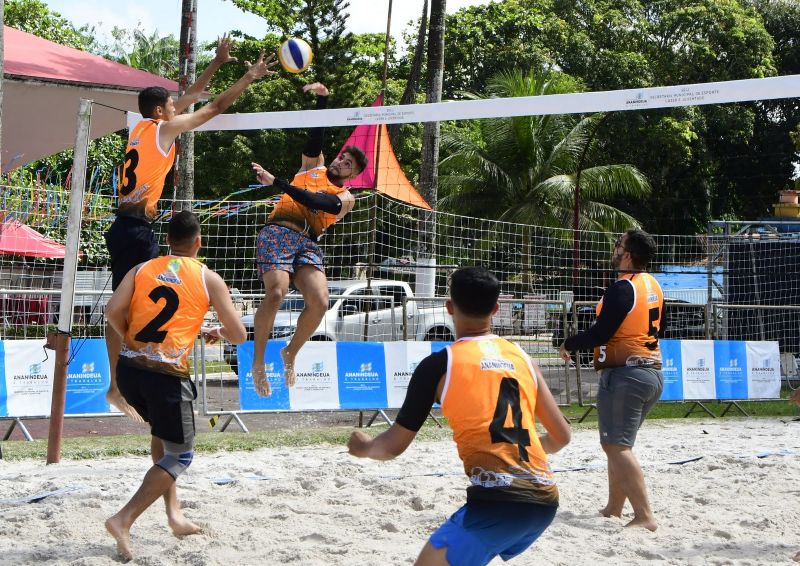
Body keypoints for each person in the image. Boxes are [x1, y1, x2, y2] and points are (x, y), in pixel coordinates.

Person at [348, 266, 571, 566]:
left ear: (449, 307)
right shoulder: (523, 358)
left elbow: (392, 446)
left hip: (502, 501)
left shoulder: (439, 366)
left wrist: (363, 448)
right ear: (496, 308)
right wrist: (517, 447)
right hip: (545, 499)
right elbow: (562, 436)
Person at [104, 37, 276, 420]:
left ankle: (121, 384)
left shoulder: (142, 129)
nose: (176, 107)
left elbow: (194, 94)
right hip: (134, 228)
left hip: (126, 226)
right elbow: (212, 106)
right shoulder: (163, 131)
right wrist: (249, 76)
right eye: (171, 105)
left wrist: (217, 62)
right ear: (161, 111)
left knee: (124, 303)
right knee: (135, 304)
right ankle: (123, 383)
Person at [103, 211, 246, 561]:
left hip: (129, 371)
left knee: (161, 437)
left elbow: (111, 311)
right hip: (166, 377)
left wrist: (133, 341)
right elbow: (240, 335)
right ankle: (123, 519)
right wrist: (219, 332)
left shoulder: (142, 269)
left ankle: (173, 513)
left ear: (166, 241)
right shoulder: (208, 278)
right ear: (198, 242)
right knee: (180, 454)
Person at [249, 81, 368, 395]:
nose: (342, 162)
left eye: (349, 165)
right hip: (278, 231)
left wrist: (277, 182)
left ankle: (291, 352)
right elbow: (316, 134)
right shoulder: (313, 166)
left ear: (353, 175)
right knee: (276, 293)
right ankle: (258, 360)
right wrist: (323, 101)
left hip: (308, 241)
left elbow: (317, 203)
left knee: (320, 301)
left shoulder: (347, 197)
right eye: (342, 158)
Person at [559, 228, 664, 531]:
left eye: (619, 245)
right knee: (618, 444)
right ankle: (614, 507)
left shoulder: (622, 288)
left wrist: (569, 343)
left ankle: (644, 515)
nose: (615, 249)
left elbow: (601, 333)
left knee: (617, 446)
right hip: (652, 372)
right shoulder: (653, 285)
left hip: (627, 375)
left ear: (628, 255)